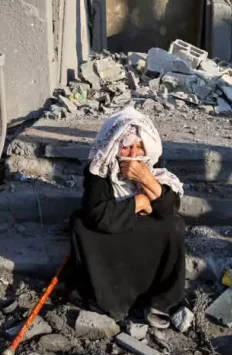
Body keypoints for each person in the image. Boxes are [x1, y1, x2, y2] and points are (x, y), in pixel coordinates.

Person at [70, 107, 187, 328]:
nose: (133, 154)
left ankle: (160, 302)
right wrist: (139, 202)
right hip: (113, 226)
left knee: (175, 226)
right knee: (81, 225)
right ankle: (111, 301)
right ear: (114, 145)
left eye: (139, 146)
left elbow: (170, 208)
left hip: (135, 223)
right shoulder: (100, 169)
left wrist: (146, 178)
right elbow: (99, 214)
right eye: (126, 146)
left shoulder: (150, 166)